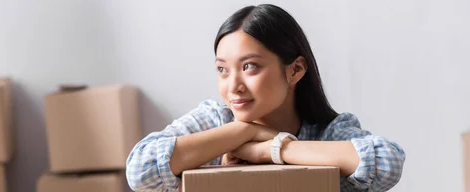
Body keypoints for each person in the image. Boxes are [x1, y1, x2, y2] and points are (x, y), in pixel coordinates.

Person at [126, 4, 405, 192]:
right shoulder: (215, 120)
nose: (233, 86)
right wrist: (243, 131)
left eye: (250, 67)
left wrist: (274, 148)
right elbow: (140, 170)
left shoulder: (328, 131)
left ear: (295, 69)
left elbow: (386, 162)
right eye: (222, 70)